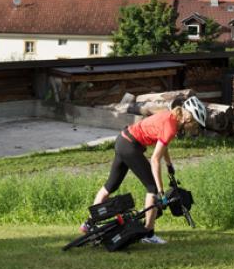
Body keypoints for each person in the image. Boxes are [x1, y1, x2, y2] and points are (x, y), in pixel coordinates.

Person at [84, 96, 207, 245]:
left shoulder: (171, 116)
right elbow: (155, 159)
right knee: (152, 189)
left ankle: (88, 224)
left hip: (122, 140)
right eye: (195, 124)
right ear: (188, 119)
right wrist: (161, 192)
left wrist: (169, 164)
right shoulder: (172, 127)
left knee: (110, 186)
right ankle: (148, 233)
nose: (193, 128)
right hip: (130, 147)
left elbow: (163, 144)